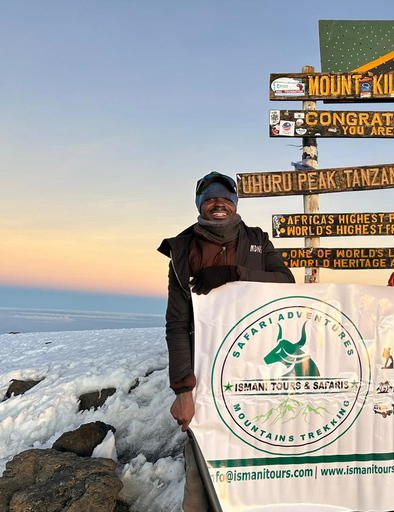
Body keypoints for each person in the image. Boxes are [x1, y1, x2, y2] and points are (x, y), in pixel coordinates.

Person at [157, 171, 295, 511]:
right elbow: (177, 324)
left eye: (225, 196)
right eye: (209, 197)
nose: (218, 201)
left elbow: (286, 282)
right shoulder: (182, 248)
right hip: (208, 372)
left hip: (258, 368)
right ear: (200, 205)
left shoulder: (258, 240)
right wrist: (182, 391)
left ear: (234, 203)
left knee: (264, 453)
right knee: (205, 462)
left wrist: (236, 275)